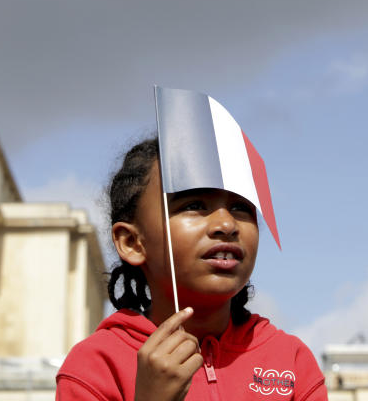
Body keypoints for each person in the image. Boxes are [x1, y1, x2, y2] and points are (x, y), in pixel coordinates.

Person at [56, 138, 327, 400]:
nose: (226, 224)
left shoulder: (290, 359)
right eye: (194, 205)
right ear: (132, 242)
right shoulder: (95, 367)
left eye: (241, 207)